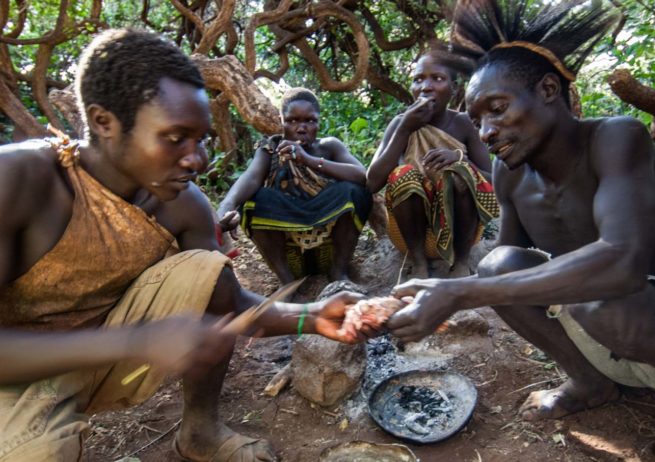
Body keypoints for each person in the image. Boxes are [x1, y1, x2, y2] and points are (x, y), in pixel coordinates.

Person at [0, 29, 368, 462]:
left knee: (205, 269)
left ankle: (200, 431)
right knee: (38, 452)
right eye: (176, 138)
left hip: (106, 354)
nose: (198, 160)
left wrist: (310, 316)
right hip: (18, 374)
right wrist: (135, 342)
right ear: (104, 122)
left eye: (202, 139)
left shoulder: (182, 204)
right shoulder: (20, 180)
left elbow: (226, 301)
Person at [387, 0, 655, 460]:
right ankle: (590, 382)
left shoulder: (616, 138)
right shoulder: (512, 174)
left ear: (549, 89)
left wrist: (458, 294)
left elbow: (622, 263)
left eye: (497, 109)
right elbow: (501, 276)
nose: (487, 132)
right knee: (497, 264)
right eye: (477, 121)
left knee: (602, 303)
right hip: (620, 323)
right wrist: (445, 290)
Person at [217, 88, 372, 284]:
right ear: (281, 120)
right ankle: (287, 282)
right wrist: (226, 205)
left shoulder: (329, 146)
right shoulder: (270, 149)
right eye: (292, 121)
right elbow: (251, 177)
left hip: (330, 241)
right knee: (253, 202)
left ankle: (339, 273)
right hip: (289, 248)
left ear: (318, 121)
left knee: (356, 192)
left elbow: (363, 176)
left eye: (309, 121)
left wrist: (309, 160)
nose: (301, 128)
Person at [366, 51, 498, 279]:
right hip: (412, 231)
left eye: (437, 78)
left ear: (454, 89)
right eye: (418, 79)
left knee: (460, 173)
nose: (425, 87)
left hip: (461, 229)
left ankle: (461, 262)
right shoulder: (401, 124)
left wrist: (461, 160)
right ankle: (419, 264)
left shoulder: (464, 124)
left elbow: (492, 178)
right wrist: (405, 129)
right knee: (402, 174)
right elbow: (371, 183)